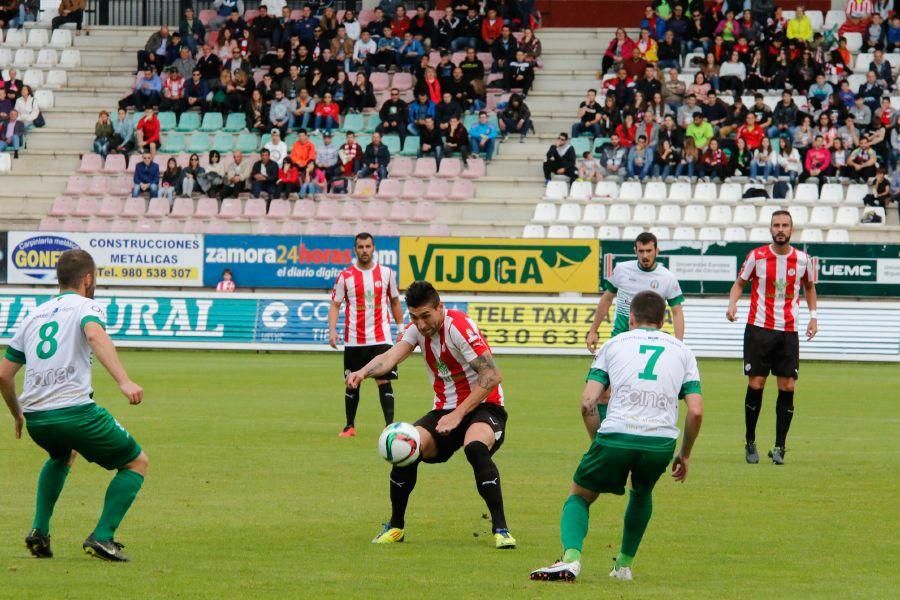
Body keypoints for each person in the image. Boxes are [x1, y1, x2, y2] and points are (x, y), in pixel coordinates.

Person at [531, 290, 702, 583]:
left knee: (580, 495)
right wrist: (684, 454)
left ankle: (571, 559)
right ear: (663, 321)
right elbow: (696, 411)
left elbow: (588, 402)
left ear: (631, 318)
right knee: (642, 492)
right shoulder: (683, 351)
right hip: (660, 442)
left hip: (616, 434)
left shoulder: (613, 344)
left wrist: (599, 441)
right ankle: (623, 567)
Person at [1, 249, 147, 562]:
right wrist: (124, 381)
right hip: (76, 412)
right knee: (136, 463)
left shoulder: (33, 315)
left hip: (38, 420)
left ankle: (39, 531)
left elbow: (3, 375)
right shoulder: (87, 306)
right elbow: (94, 334)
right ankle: (103, 536)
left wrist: (17, 414)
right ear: (88, 279)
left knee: (62, 455)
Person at [349, 280, 516, 550]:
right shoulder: (417, 330)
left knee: (474, 447)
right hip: (444, 410)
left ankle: (501, 529)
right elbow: (390, 357)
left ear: (440, 307)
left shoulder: (459, 327)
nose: (421, 324)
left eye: (426, 316)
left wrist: (459, 414)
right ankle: (395, 527)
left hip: (485, 405)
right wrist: (363, 372)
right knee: (405, 446)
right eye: (414, 317)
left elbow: (492, 376)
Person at [726, 211, 818, 466]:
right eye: (776, 225)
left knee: (788, 387)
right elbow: (739, 284)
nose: (781, 229)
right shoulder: (756, 256)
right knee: (756, 384)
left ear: (791, 229)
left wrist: (813, 316)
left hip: (789, 331)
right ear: (770, 229)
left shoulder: (803, 260)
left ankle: (780, 446)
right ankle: (750, 441)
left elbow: (810, 288)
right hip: (759, 328)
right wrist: (732, 305)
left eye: (785, 225)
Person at [328, 233, 404, 436]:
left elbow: (395, 301)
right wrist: (332, 330)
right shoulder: (345, 276)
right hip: (354, 339)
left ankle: (389, 426)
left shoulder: (387, 273)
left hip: (381, 337)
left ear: (373, 248)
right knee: (353, 381)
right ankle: (349, 426)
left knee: (383, 380)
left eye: (368, 246)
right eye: (360, 247)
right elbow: (335, 304)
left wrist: (401, 327)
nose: (364, 250)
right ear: (355, 249)